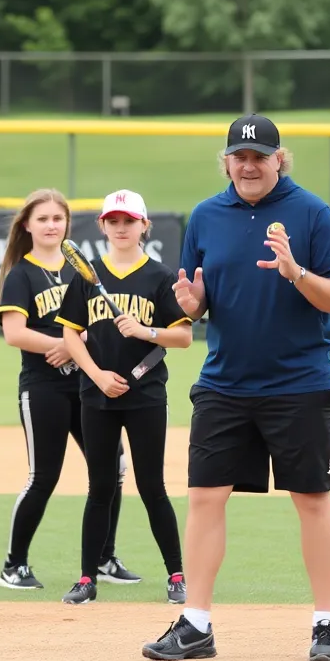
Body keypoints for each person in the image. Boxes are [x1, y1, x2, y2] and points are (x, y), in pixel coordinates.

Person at [143, 114, 330, 661]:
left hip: (299, 382)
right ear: (227, 160)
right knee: (205, 497)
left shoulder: (311, 213)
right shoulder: (207, 216)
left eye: (260, 156)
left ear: (280, 159)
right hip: (224, 382)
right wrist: (189, 305)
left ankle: (325, 623)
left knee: (311, 499)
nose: (249, 164)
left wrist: (297, 273)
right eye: (239, 155)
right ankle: (196, 623)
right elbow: (194, 301)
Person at [0, 188, 138, 591]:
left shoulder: (83, 270)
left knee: (113, 468)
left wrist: (79, 342)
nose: (52, 225)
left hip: (87, 384)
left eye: (58, 218)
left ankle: (104, 558)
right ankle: (13, 565)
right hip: (43, 389)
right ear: (27, 225)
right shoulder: (21, 273)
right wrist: (60, 343)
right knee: (44, 476)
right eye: (43, 219)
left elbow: (97, 324)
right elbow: (14, 333)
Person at [54, 189, 193, 606]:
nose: (120, 227)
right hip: (97, 396)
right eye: (112, 221)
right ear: (102, 226)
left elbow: (183, 336)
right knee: (100, 488)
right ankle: (86, 577)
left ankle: (176, 574)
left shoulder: (160, 277)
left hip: (146, 394)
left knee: (152, 486)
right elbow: (69, 335)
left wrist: (146, 331)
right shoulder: (87, 275)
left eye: (128, 221)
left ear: (143, 226)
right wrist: (96, 376)